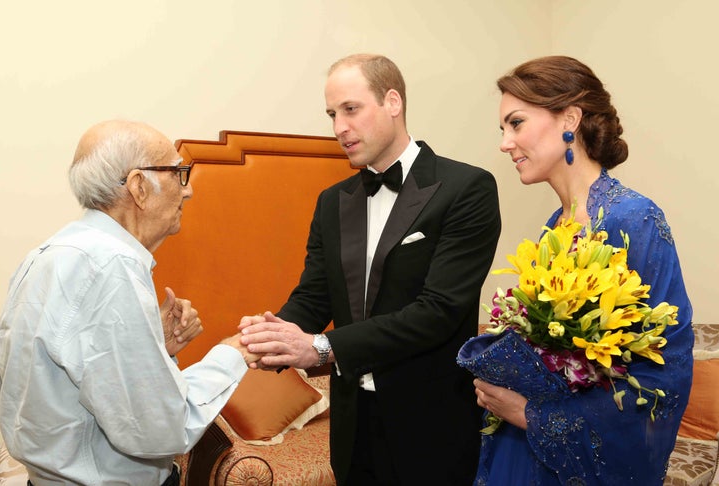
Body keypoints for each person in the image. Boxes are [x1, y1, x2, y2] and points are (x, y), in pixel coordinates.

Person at [239, 53, 501, 485]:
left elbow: (438, 312)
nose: (339, 127)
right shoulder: (332, 201)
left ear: (393, 102)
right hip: (353, 425)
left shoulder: (466, 188)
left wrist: (322, 348)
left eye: (351, 109)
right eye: (332, 114)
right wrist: (273, 337)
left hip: (431, 424)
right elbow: (315, 294)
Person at [0, 120, 261, 485]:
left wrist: (156, 345)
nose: (188, 191)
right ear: (139, 186)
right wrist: (232, 354)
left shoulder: (50, 254)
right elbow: (162, 429)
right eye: (178, 173)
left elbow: (72, 380)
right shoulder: (111, 267)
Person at [472, 55, 693, 485]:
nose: (505, 142)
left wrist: (534, 415)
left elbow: (665, 373)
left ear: (570, 117)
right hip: (523, 452)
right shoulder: (555, 227)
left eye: (516, 123)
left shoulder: (634, 219)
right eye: (502, 129)